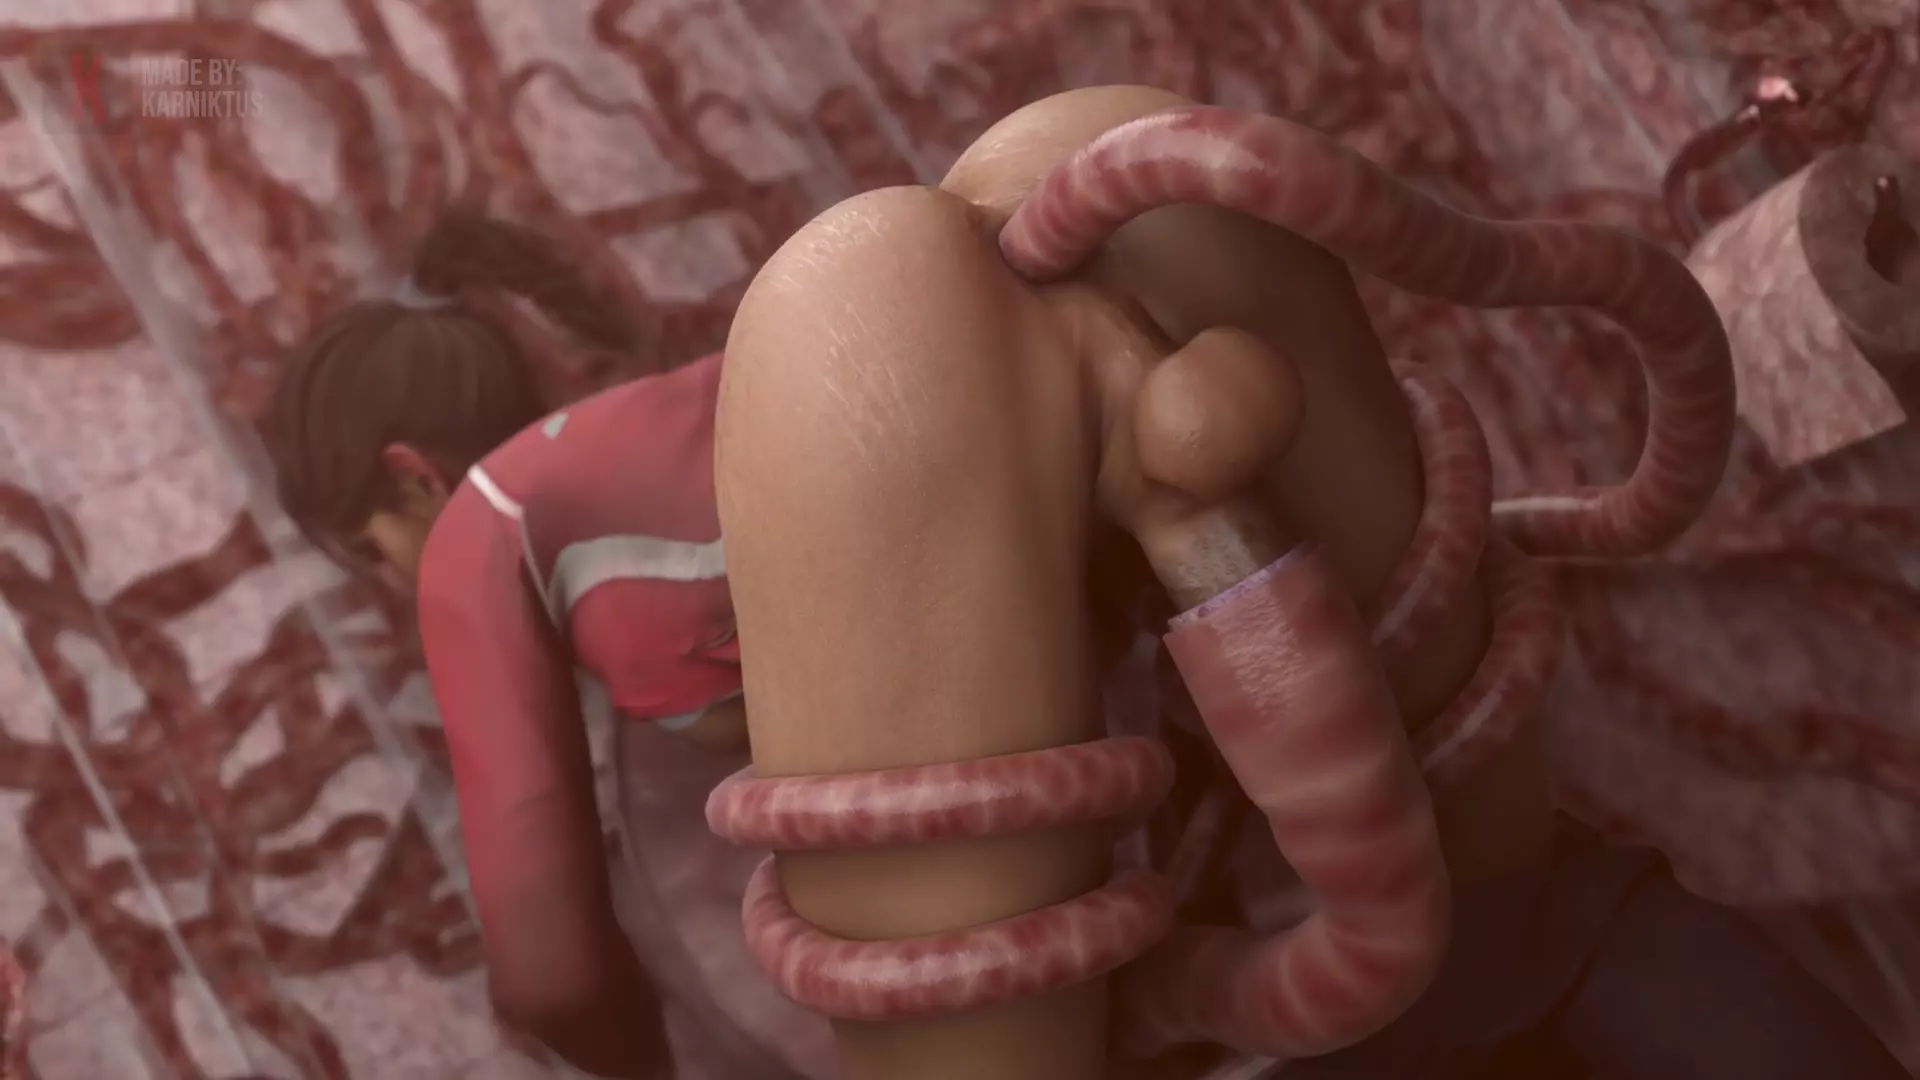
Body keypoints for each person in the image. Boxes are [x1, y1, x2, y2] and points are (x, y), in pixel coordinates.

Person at [262, 212, 765, 1077]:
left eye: (371, 549)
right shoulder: (692, 404)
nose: (395, 586)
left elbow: (554, 982)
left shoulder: (486, 529)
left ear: (414, 477)